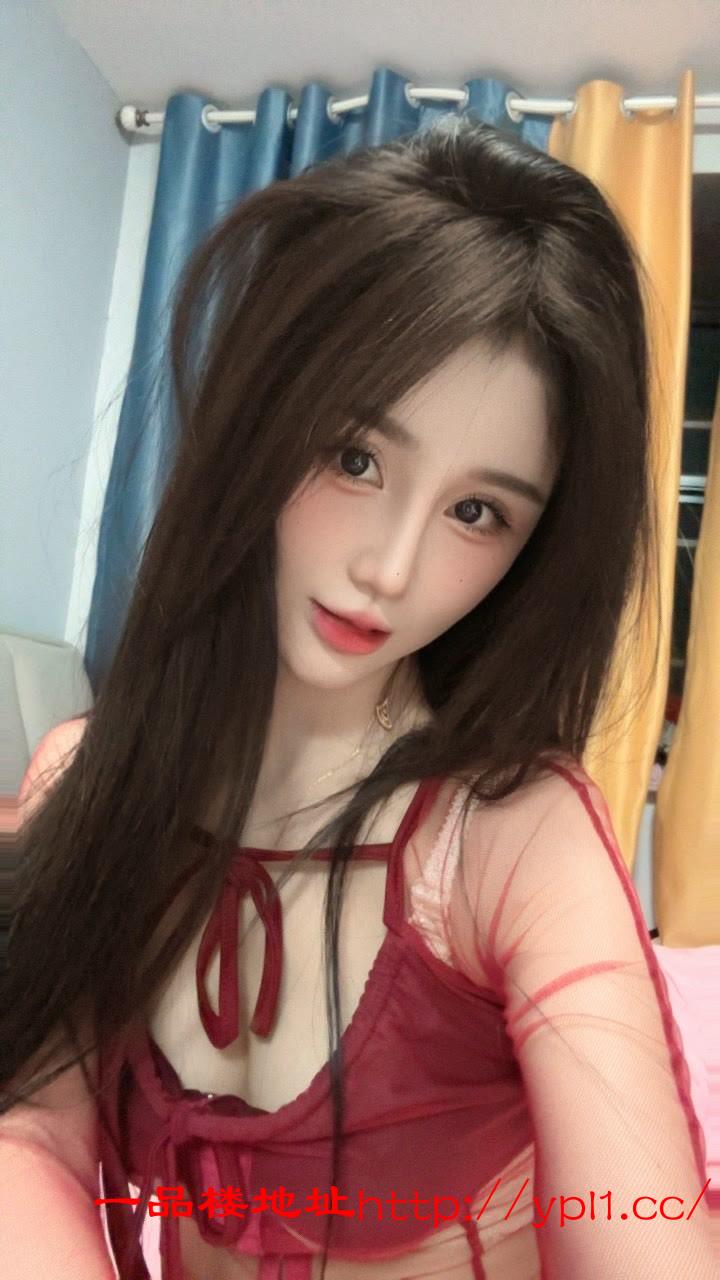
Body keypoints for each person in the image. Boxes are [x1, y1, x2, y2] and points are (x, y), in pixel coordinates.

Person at [1, 116, 715, 1280]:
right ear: (261, 417)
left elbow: (642, 1236)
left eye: (477, 511)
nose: (390, 566)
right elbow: (32, 1131)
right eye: (355, 456)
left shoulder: (509, 834)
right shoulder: (94, 776)